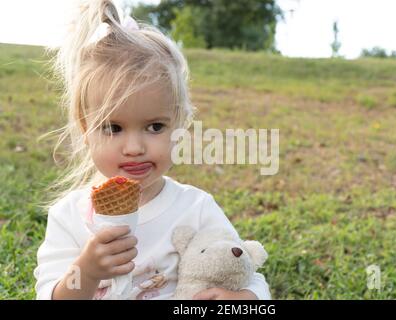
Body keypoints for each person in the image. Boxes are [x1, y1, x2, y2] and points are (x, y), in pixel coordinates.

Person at [33, 0, 271, 300]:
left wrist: (244, 299)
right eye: (113, 128)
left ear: (179, 127)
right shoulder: (70, 217)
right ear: (86, 132)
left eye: (155, 127)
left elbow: (247, 275)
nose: (135, 148)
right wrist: (88, 271)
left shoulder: (196, 209)